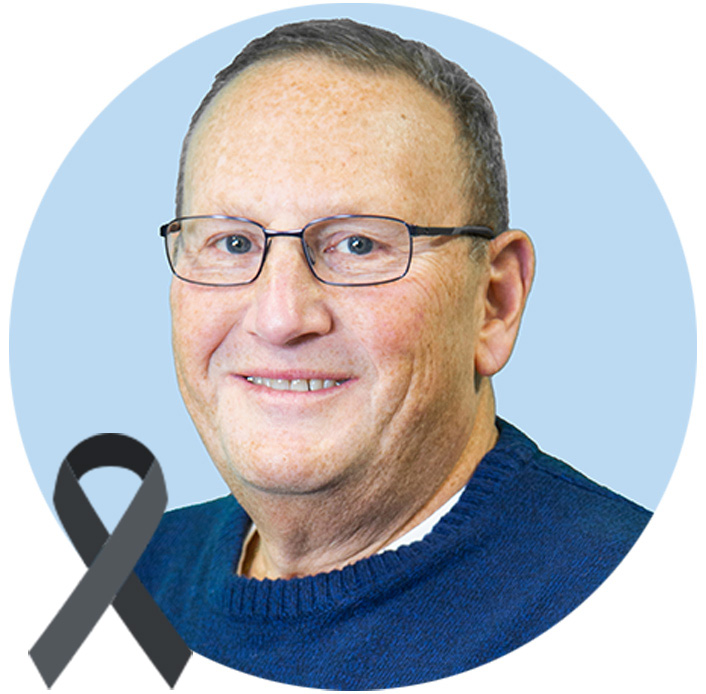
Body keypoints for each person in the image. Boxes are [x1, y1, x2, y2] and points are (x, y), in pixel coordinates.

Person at [136, 18, 651, 689]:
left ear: (493, 302)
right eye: (232, 243)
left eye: (358, 245)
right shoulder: (123, 582)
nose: (281, 317)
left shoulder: (639, 612)